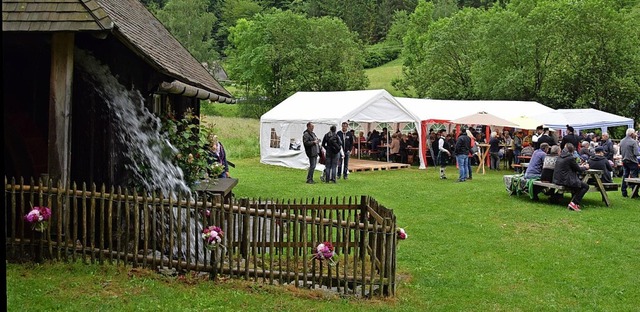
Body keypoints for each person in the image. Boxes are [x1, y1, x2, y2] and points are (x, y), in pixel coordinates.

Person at [553, 143, 589, 211]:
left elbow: (572, 167)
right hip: (565, 180)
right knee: (585, 186)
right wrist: (585, 167)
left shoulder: (560, 156)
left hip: (557, 179)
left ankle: (574, 203)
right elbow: (578, 169)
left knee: (578, 186)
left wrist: (580, 167)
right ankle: (574, 203)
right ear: (572, 150)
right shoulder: (570, 158)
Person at [619, 128, 640, 197]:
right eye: (634, 133)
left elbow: (620, 152)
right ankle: (635, 193)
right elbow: (636, 153)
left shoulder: (621, 141)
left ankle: (624, 192)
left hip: (624, 161)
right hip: (632, 161)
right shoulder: (633, 142)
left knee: (625, 176)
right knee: (634, 177)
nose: (635, 134)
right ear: (631, 134)